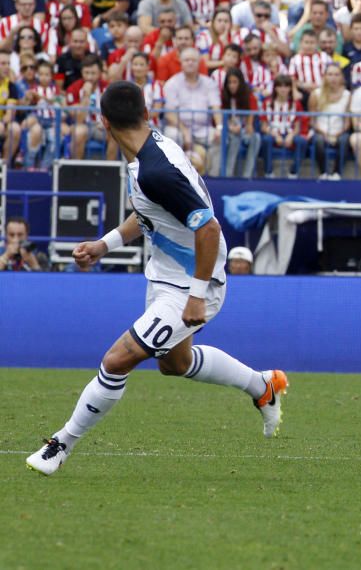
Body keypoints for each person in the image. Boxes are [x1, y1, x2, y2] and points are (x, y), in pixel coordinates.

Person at [26, 81, 289, 476]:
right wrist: (105, 244)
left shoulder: (156, 170)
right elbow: (151, 213)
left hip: (190, 285)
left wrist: (197, 296)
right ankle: (262, 386)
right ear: (146, 113)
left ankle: (60, 444)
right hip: (168, 277)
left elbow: (210, 229)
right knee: (175, 364)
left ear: (103, 123)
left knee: (117, 361)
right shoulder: (150, 153)